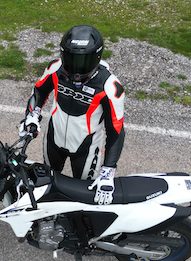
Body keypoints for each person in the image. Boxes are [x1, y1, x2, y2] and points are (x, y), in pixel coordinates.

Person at [21, 24, 125, 205]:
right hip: (53, 140)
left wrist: (108, 172)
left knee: (83, 198)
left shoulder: (110, 86)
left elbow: (116, 132)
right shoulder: (55, 68)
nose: (76, 69)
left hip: (86, 150)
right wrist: (32, 115)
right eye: (71, 60)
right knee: (47, 186)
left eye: (83, 62)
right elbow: (39, 92)